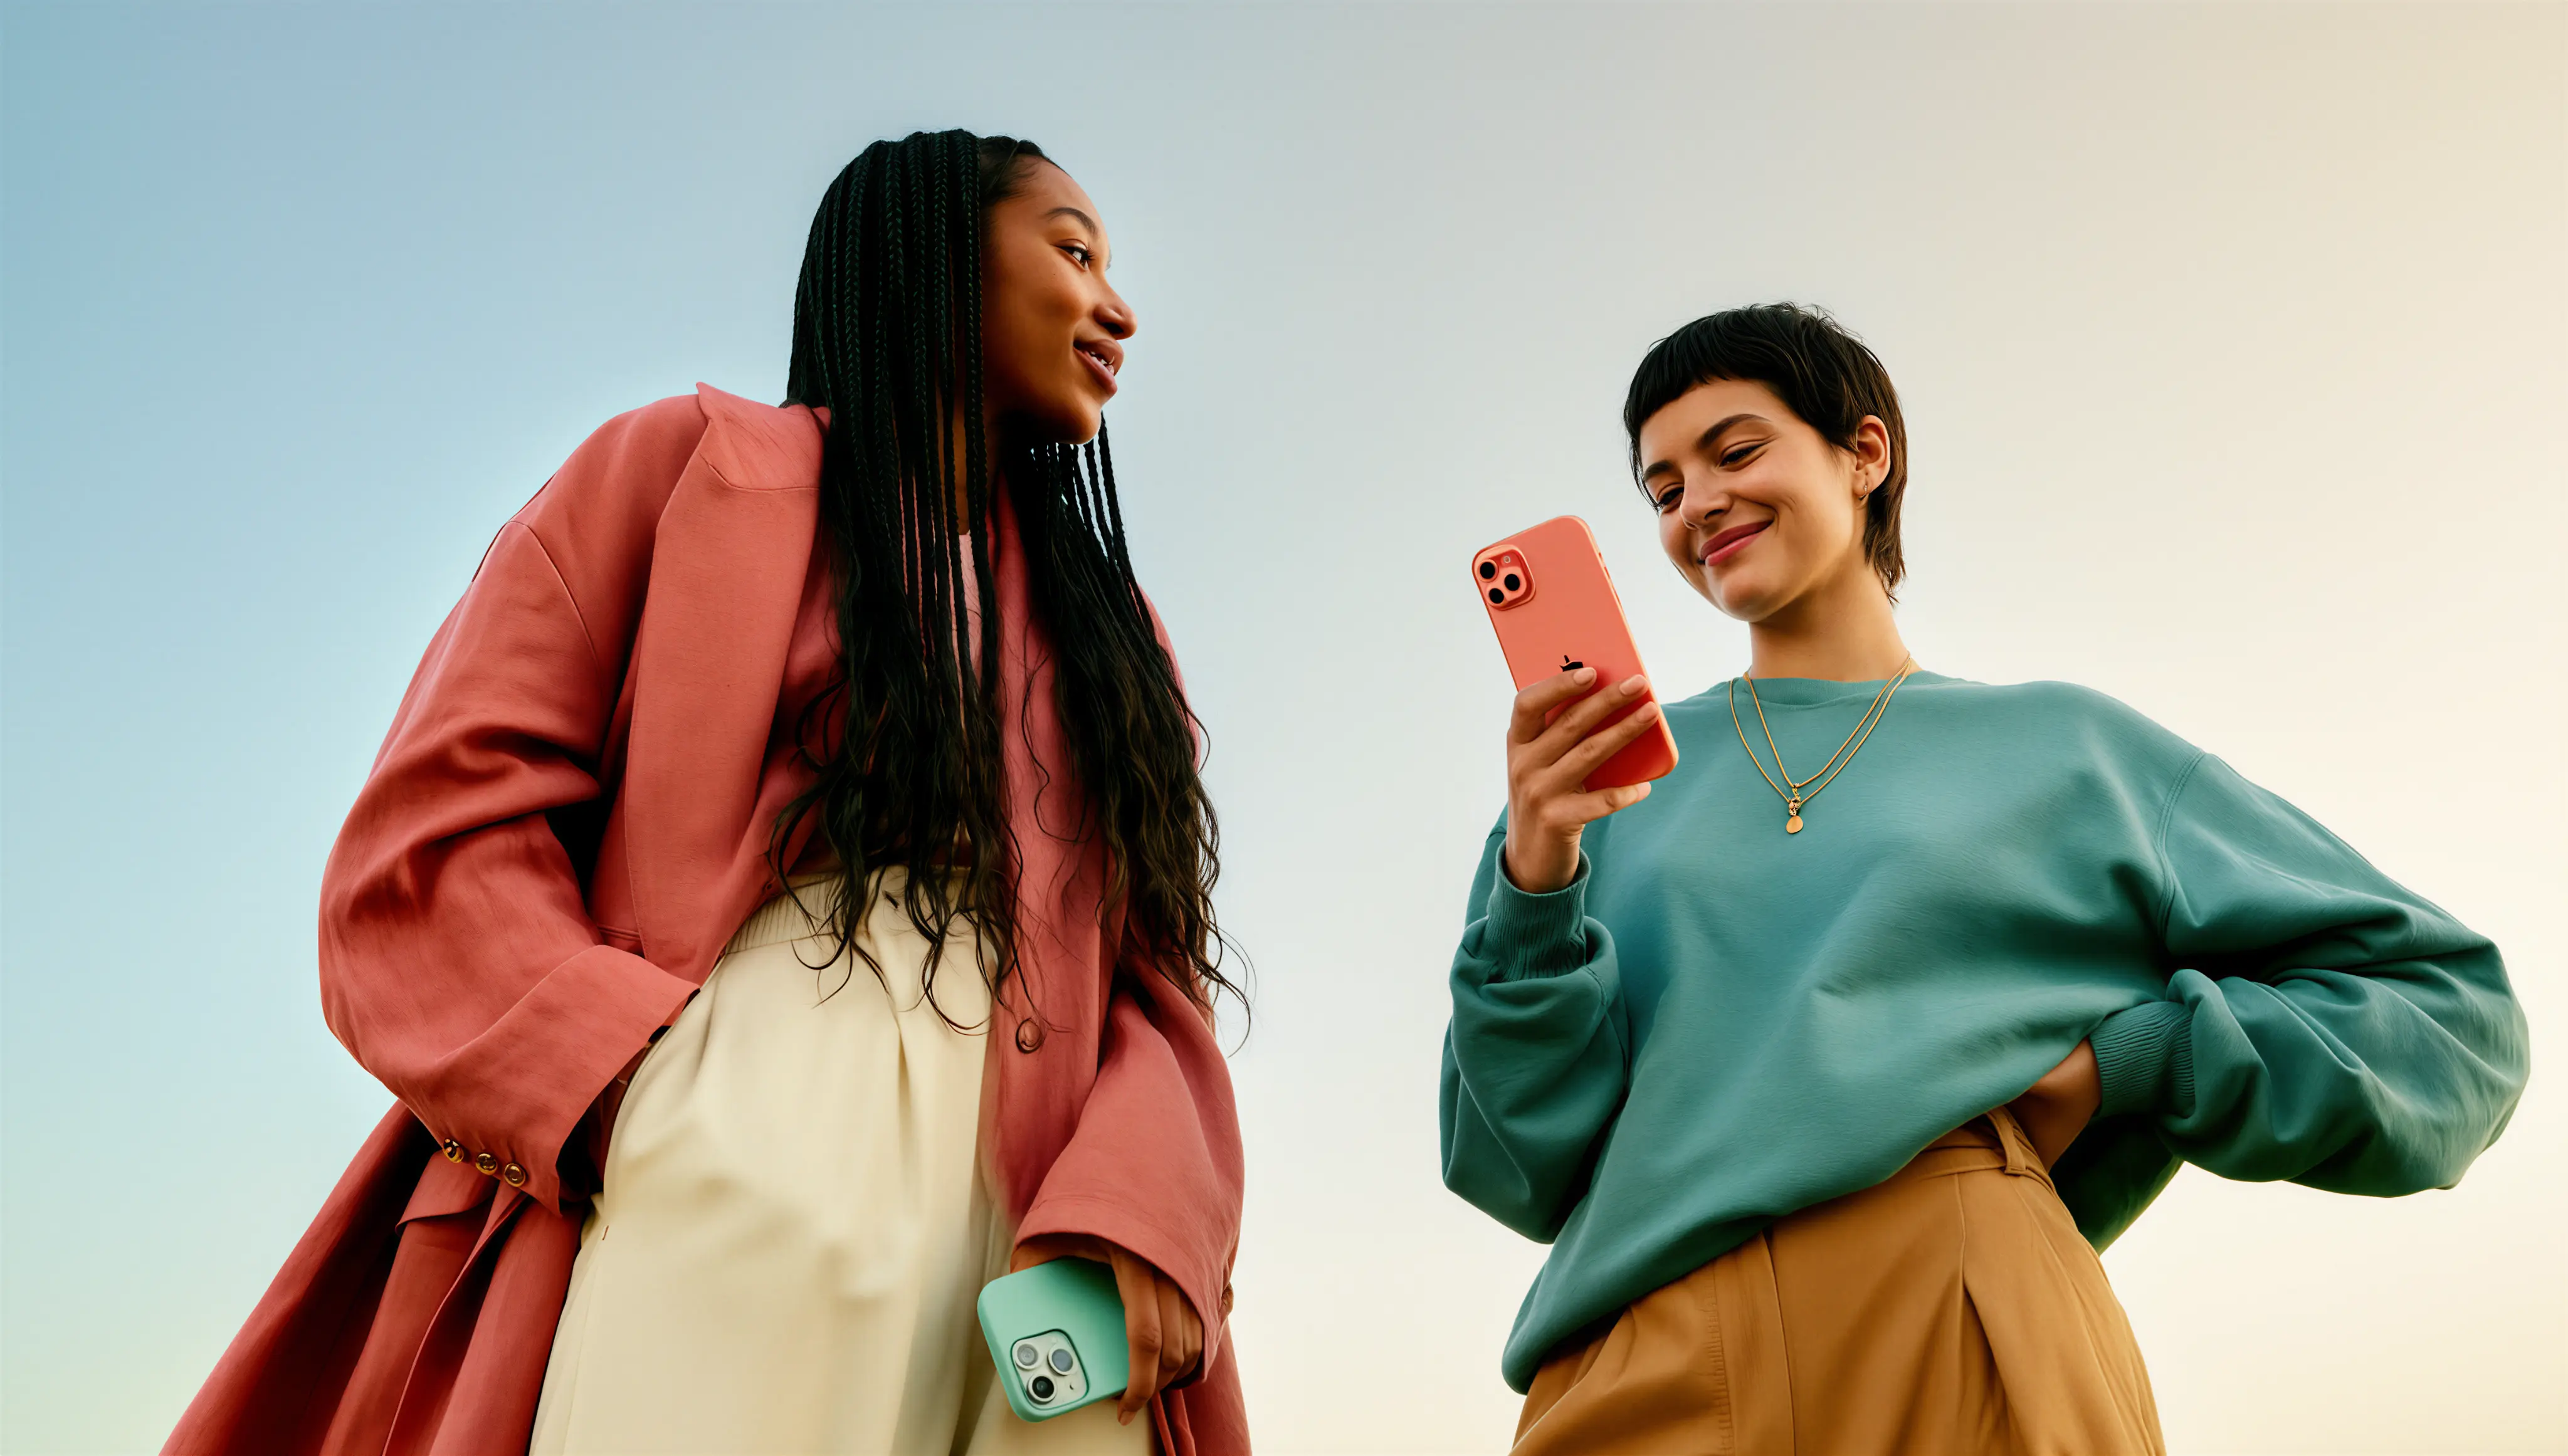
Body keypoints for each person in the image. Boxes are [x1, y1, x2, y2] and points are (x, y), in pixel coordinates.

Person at [165, 130, 1248, 1456]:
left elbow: (1157, 986)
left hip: (1049, 1218)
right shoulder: (680, 468)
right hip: (736, 1109)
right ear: (931, 256)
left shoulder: (1112, 634)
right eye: (1073, 251)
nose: (1116, 304)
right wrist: (654, 1097)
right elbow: (438, 830)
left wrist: (1141, 1212)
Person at [1439, 303, 2527, 1455]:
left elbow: (2456, 1020)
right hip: (1643, 1348)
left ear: (1866, 453)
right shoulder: (1587, 795)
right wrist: (1538, 878)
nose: (1696, 503)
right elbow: (1518, 1165)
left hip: (1971, 1320)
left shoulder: (2069, 750)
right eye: (1662, 489)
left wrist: (2141, 1058)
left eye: (1737, 450)